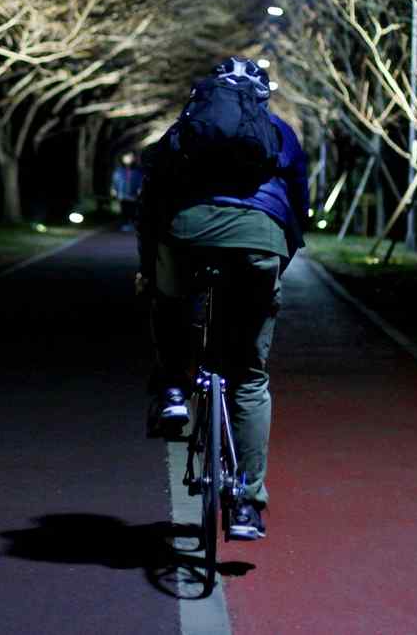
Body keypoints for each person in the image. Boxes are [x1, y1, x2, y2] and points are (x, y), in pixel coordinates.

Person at [135, 56, 309, 541]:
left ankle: (173, 391)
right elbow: (299, 209)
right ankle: (246, 505)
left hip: (185, 238)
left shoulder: (185, 131)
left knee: (169, 303)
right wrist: (275, 265)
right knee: (249, 378)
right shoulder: (279, 134)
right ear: (261, 98)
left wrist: (149, 269)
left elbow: (150, 202)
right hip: (259, 247)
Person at [110, 152, 143, 231]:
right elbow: (115, 181)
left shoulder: (137, 171)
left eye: (130, 157)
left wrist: (140, 189)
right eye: (127, 157)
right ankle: (125, 224)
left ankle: (131, 223)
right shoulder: (119, 171)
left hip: (133, 194)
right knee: (124, 209)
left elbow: (140, 181)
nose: (128, 159)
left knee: (132, 209)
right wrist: (114, 190)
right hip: (122, 194)